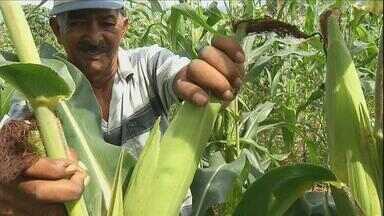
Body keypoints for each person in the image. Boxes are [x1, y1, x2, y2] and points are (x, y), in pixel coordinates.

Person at [0, 0, 244, 215]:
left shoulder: (149, 65)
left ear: (124, 26)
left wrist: (202, 78)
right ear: (57, 30)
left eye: (107, 23)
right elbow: (9, 150)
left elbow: (179, 74)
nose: (94, 37)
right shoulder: (40, 96)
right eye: (79, 23)